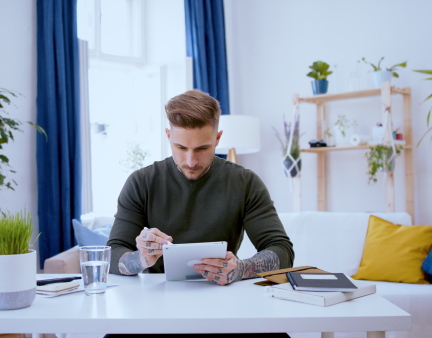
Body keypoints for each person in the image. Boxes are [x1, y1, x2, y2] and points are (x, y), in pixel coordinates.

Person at [107, 89, 294, 286]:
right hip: (156, 296)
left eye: (202, 148)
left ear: (217, 139)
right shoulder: (141, 182)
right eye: (181, 147)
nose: (191, 161)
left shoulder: (245, 182)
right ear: (168, 136)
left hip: (222, 295)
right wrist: (140, 259)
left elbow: (283, 251)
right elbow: (112, 254)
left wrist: (241, 269)